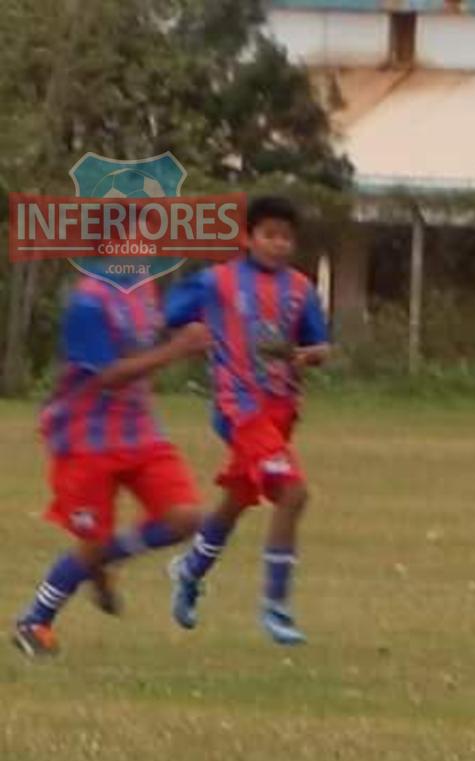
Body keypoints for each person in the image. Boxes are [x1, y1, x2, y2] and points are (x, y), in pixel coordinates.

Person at [12, 276, 211, 657]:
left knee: (185, 517)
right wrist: (177, 349)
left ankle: (97, 564)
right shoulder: (88, 301)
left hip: (140, 433)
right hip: (83, 438)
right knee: (92, 543)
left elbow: (151, 336)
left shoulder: (144, 290)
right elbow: (108, 375)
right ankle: (35, 620)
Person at [164, 196, 330, 645]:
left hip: (280, 410)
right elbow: (172, 313)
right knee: (293, 494)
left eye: (286, 237)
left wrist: (307, 356)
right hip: (239, 408)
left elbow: (320, 345)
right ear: (248, 238)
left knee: (238, 498)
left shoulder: (300, 289)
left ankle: (190, 570)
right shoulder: (217, 281)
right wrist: (191, 335)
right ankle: (276, 607)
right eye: (269, 235)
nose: (278, 244)